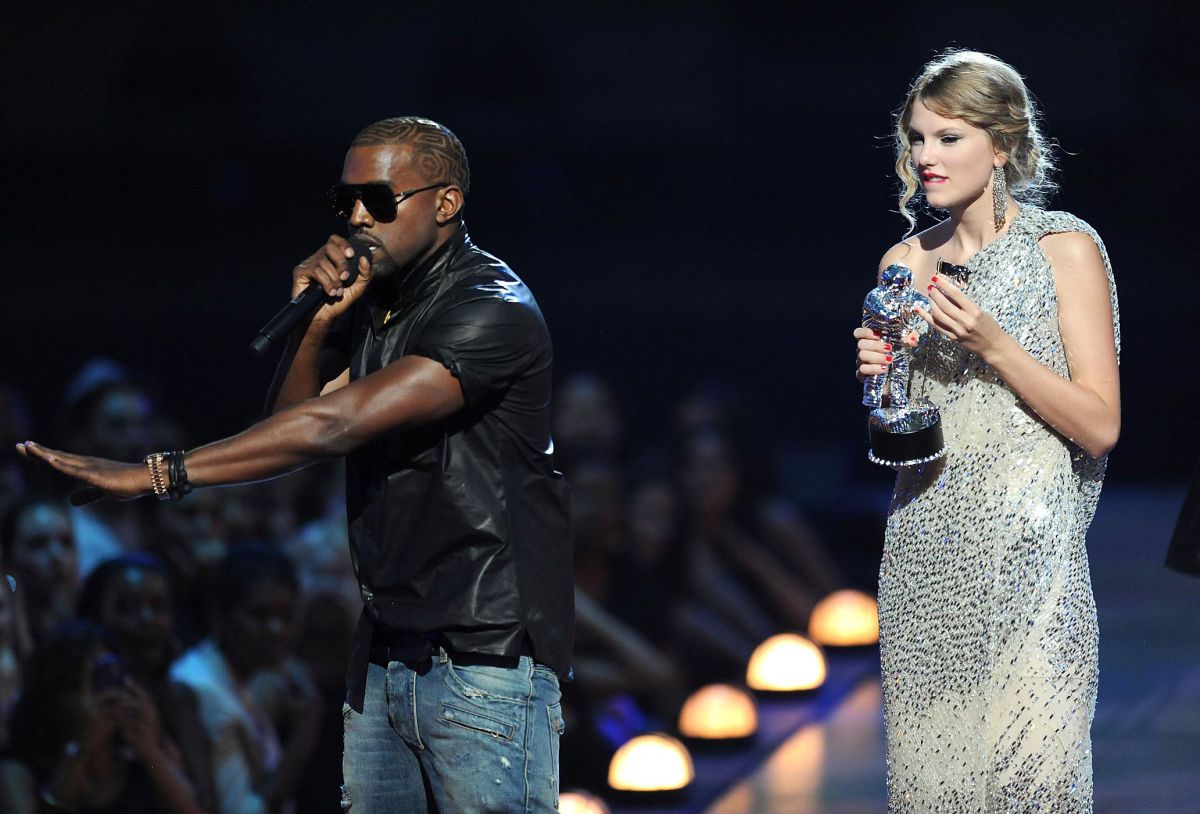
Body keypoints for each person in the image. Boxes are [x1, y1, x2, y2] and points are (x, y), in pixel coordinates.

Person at [15, 115, 573, 813]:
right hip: (386, 654)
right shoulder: (373, 305)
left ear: (446, 202)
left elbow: (333, 426)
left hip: (482, 656)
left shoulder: (493, 309)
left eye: (378, 199)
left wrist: (155, 474)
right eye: (345, 201)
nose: (356, 218)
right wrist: (314, 324)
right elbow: (287, 430)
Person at [853, 50, 1120, 809]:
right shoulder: (905, 261)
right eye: (917, 138)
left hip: (1033, 557)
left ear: (1001, 146)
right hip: (927, 550)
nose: (926, 156)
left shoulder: (1062, 249)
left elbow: (1100, 426)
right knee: (937, 784)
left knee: (1036, 780)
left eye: (949, 137)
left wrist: (994, 345)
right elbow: (895, 436)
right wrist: (878, 381)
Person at [170, 545, 318, 814]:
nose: (276, 630)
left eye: (285, 616)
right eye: (259, 615)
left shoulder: (240, 677)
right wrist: (303, 735)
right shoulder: (203, 688)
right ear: (221, 614)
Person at [0, 621, 206, 814]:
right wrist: (80, 751)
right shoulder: (18, 772)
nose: (95, 697)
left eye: (101, 679)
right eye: (76, 684)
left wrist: (150, 750)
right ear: (52, 697)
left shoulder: (142, 759)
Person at [77, 554, 216, 812]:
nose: (147, 619)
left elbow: (207, 804)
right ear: (94, 617)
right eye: (127, 608)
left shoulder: (181, 699)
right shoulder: (78, 702)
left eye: (159, 607)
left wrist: (151, 750)